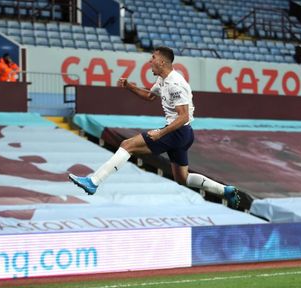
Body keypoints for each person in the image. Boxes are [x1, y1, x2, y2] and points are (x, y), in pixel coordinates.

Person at [68, 46, 240, 208]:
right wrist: (129, 86)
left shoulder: (175, 84)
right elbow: (150, 96)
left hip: (177, 132)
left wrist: (161, 133)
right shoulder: (162, 80)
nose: (150, 61)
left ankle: (94, 182)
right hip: (183, 134)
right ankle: (224, 191)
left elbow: (184, 116)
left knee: (127, 145)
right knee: (182, 178)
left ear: (162, 62)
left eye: (153, 58)